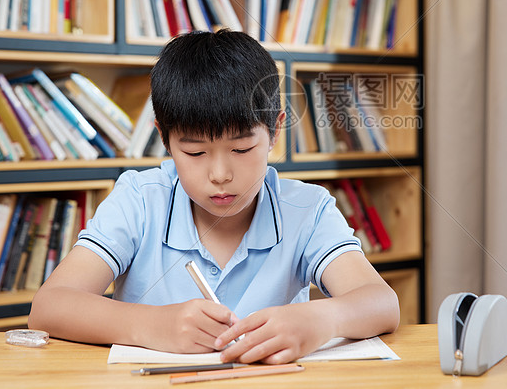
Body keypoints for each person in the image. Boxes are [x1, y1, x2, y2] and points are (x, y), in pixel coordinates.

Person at [28, 29, 400, 364]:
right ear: (164, 137)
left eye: (241, 149)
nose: (220, 174)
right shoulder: (140, 200)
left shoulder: (307, 209)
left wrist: (320, 319)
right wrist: (153, 324)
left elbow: (381, 303)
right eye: (194, 153)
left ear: (274, 131)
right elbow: (49, 306)